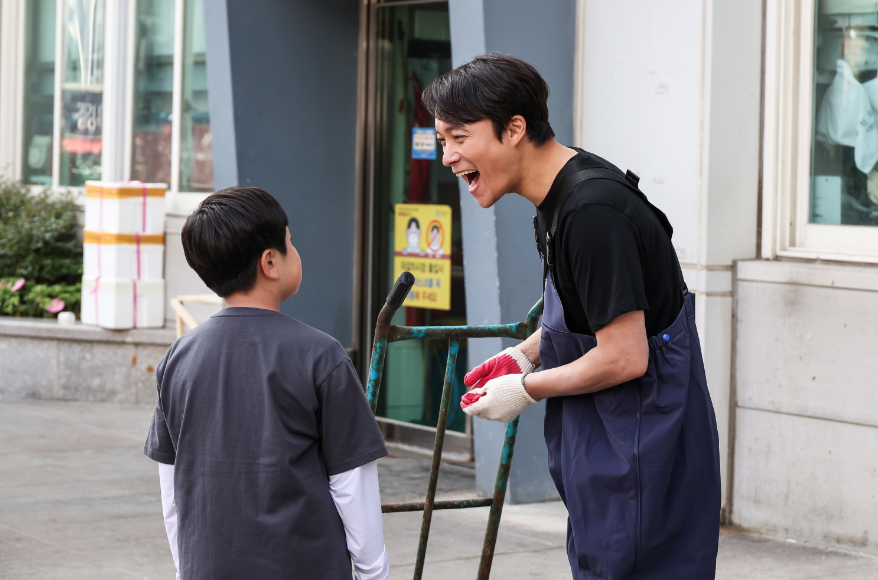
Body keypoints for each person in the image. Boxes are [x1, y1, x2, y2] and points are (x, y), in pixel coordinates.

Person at [423, 53, 721, 579]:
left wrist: (526, 388)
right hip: (611, 441)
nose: (447, 156)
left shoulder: (591, 213)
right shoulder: (559, 197)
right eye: (442, 139)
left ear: (514, 129)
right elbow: (593, 312)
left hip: (640, 446)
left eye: (459, 137)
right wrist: (525, 354)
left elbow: (625, 356)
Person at [143, 187, 390, 580]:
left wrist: (186, 567)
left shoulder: (178, 358)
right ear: (271, 262)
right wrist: (372, 573)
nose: (296, 252)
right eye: (291, 243)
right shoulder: (320, 355)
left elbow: (172, 488)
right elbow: (351, 484)